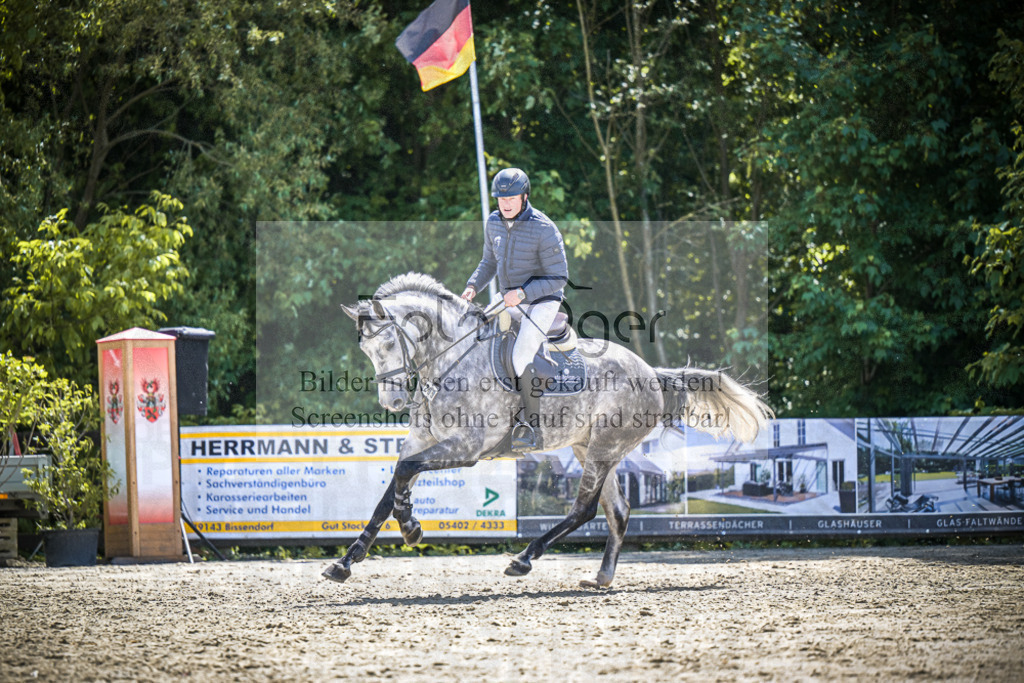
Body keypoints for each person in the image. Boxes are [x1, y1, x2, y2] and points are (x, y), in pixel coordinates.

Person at [462, 167, 568, 451]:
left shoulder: (544, 228)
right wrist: (473, 286)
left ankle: (530, 426)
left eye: (510, 198)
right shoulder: (494, 222)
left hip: (542, 301)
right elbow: (488, 263)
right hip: (509, 297)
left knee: (521, 356)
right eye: (500, 199)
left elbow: (559, 277)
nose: (505, 204)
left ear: (524, 196)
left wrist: (522, 293)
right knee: (473, 335)